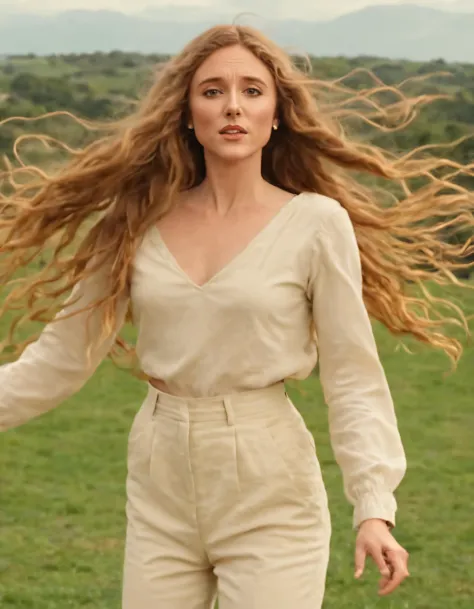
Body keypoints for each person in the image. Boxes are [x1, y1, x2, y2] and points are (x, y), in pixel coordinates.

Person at [1, 24, 473, 609]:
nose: (232, 106)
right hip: (159, 479)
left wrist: (374, 506)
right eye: (212, 90)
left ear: (276, 113)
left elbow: (351, 374)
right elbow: (59, 359)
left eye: (252, 90)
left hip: (269, 484)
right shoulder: (135, 221)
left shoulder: (316, 223)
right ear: (186, 112)